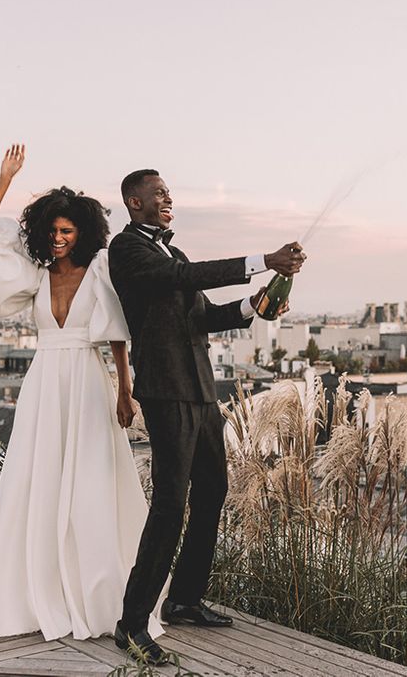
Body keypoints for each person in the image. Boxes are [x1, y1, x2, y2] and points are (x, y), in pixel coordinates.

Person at [0, 146, 164, 641]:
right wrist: (3, 178)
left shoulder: (102, 268)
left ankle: (99, 592)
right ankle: (37, 587)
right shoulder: (35, 273)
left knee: (91, 481)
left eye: (68, 232)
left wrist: (125, 390)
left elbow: (116, 333)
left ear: (82, 232)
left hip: (87, 380)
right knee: (37, 478)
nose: (59, 239)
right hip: (45, 382)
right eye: (53, 232)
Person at [108, 169, 306, 665]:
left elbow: (202, 314)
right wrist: (263, 261)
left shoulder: (173, 252)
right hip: (165, 392)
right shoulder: (127, 250)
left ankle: (183, 600)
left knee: (213, 490)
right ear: (135, 202)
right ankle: (131, 624)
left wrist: (254, 305)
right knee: (170, 506)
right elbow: (182, 280)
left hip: (200, 391)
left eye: (168, 192)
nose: (168, 198)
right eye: (159, 193)